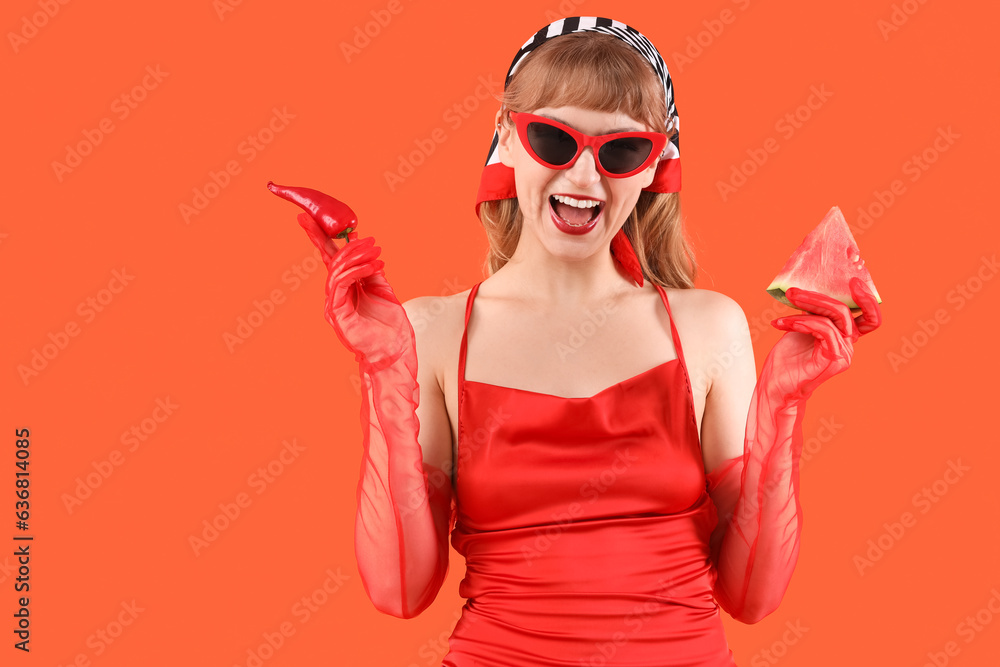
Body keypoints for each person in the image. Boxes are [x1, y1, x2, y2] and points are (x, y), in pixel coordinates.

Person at [290, 16, 882, 666]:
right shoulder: (430, 332)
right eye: (552, 140)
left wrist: (783, 403)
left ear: (654, 163)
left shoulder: (708, 326)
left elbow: (753, 595)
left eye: (620, 150)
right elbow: (400, 590)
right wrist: (385, 373)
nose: (583, 177)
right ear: (505, 140)